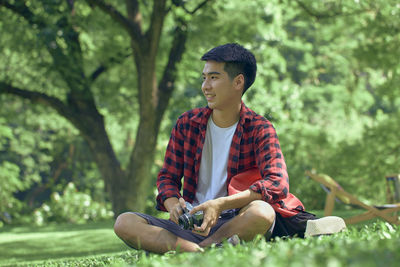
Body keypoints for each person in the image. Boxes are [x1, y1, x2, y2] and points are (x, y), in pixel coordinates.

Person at [114, 43, 316, 254]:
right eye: (204, 78)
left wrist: (220, 204)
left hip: (236, 220)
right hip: (192, 222)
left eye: (214, 77)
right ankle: (202, 251)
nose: (205, 86)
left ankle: (192, 250)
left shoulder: (260, 128)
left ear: (238, 82)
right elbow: (167, 178)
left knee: (263, 213)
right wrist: (173, 205)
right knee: (124, 222)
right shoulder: (186, 123)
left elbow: (277, 184)